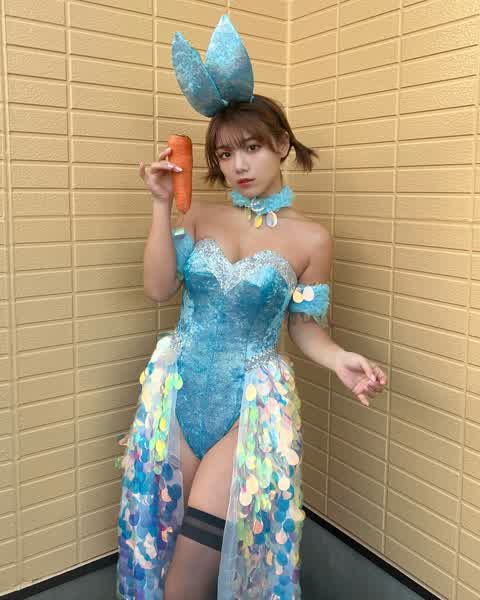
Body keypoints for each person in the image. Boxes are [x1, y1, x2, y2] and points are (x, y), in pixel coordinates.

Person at [115, 14, 387, 600]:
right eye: (225, 153)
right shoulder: (197, 215)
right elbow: (158, 289)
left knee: (190, 572)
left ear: (282, 145)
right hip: (178, 393)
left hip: (249, 407)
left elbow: (304, 327)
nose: (238, 165)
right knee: (159, 542)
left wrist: (339, 358)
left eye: (252, 147)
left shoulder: (311, 239)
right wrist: (160, 207)